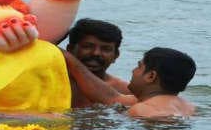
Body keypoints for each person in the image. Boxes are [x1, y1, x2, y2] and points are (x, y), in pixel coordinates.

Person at [62, 47, 196, 118]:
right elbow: (111, 97)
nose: (133, 71)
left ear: (151, 76)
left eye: (139, 67)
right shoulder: (188, 107)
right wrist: (67, 57)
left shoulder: (141, 109)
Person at [65, 18, 129, 107]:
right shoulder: (53, 83)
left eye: (106, 49)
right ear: (70, 49)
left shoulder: (125, 91)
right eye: (87, 46)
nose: (96, 53)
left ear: (116, 55)